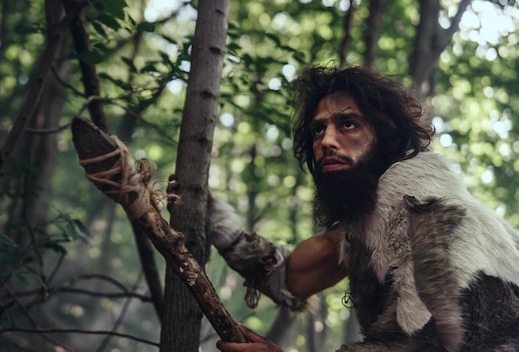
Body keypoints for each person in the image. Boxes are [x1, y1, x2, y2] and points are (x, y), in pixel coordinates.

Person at [206, 65, 519, 352]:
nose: (327, 140)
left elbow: (428, 340)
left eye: (348, 124)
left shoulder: (427, 207)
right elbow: (286, 277)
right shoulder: (359, 231)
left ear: (385, 134)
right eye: (318, 130)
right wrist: (209, 211)